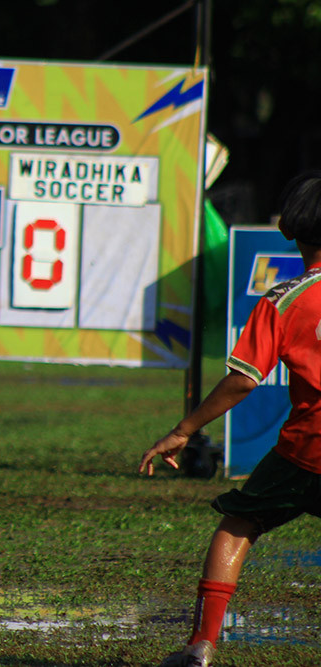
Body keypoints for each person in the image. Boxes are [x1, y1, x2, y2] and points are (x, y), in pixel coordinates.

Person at [139, 170, 321, 667]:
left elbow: (243, 380)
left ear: (290, 229)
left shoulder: (282, 300)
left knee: (238, 525)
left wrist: (183, 430)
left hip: (305, 450)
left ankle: (201, 644)